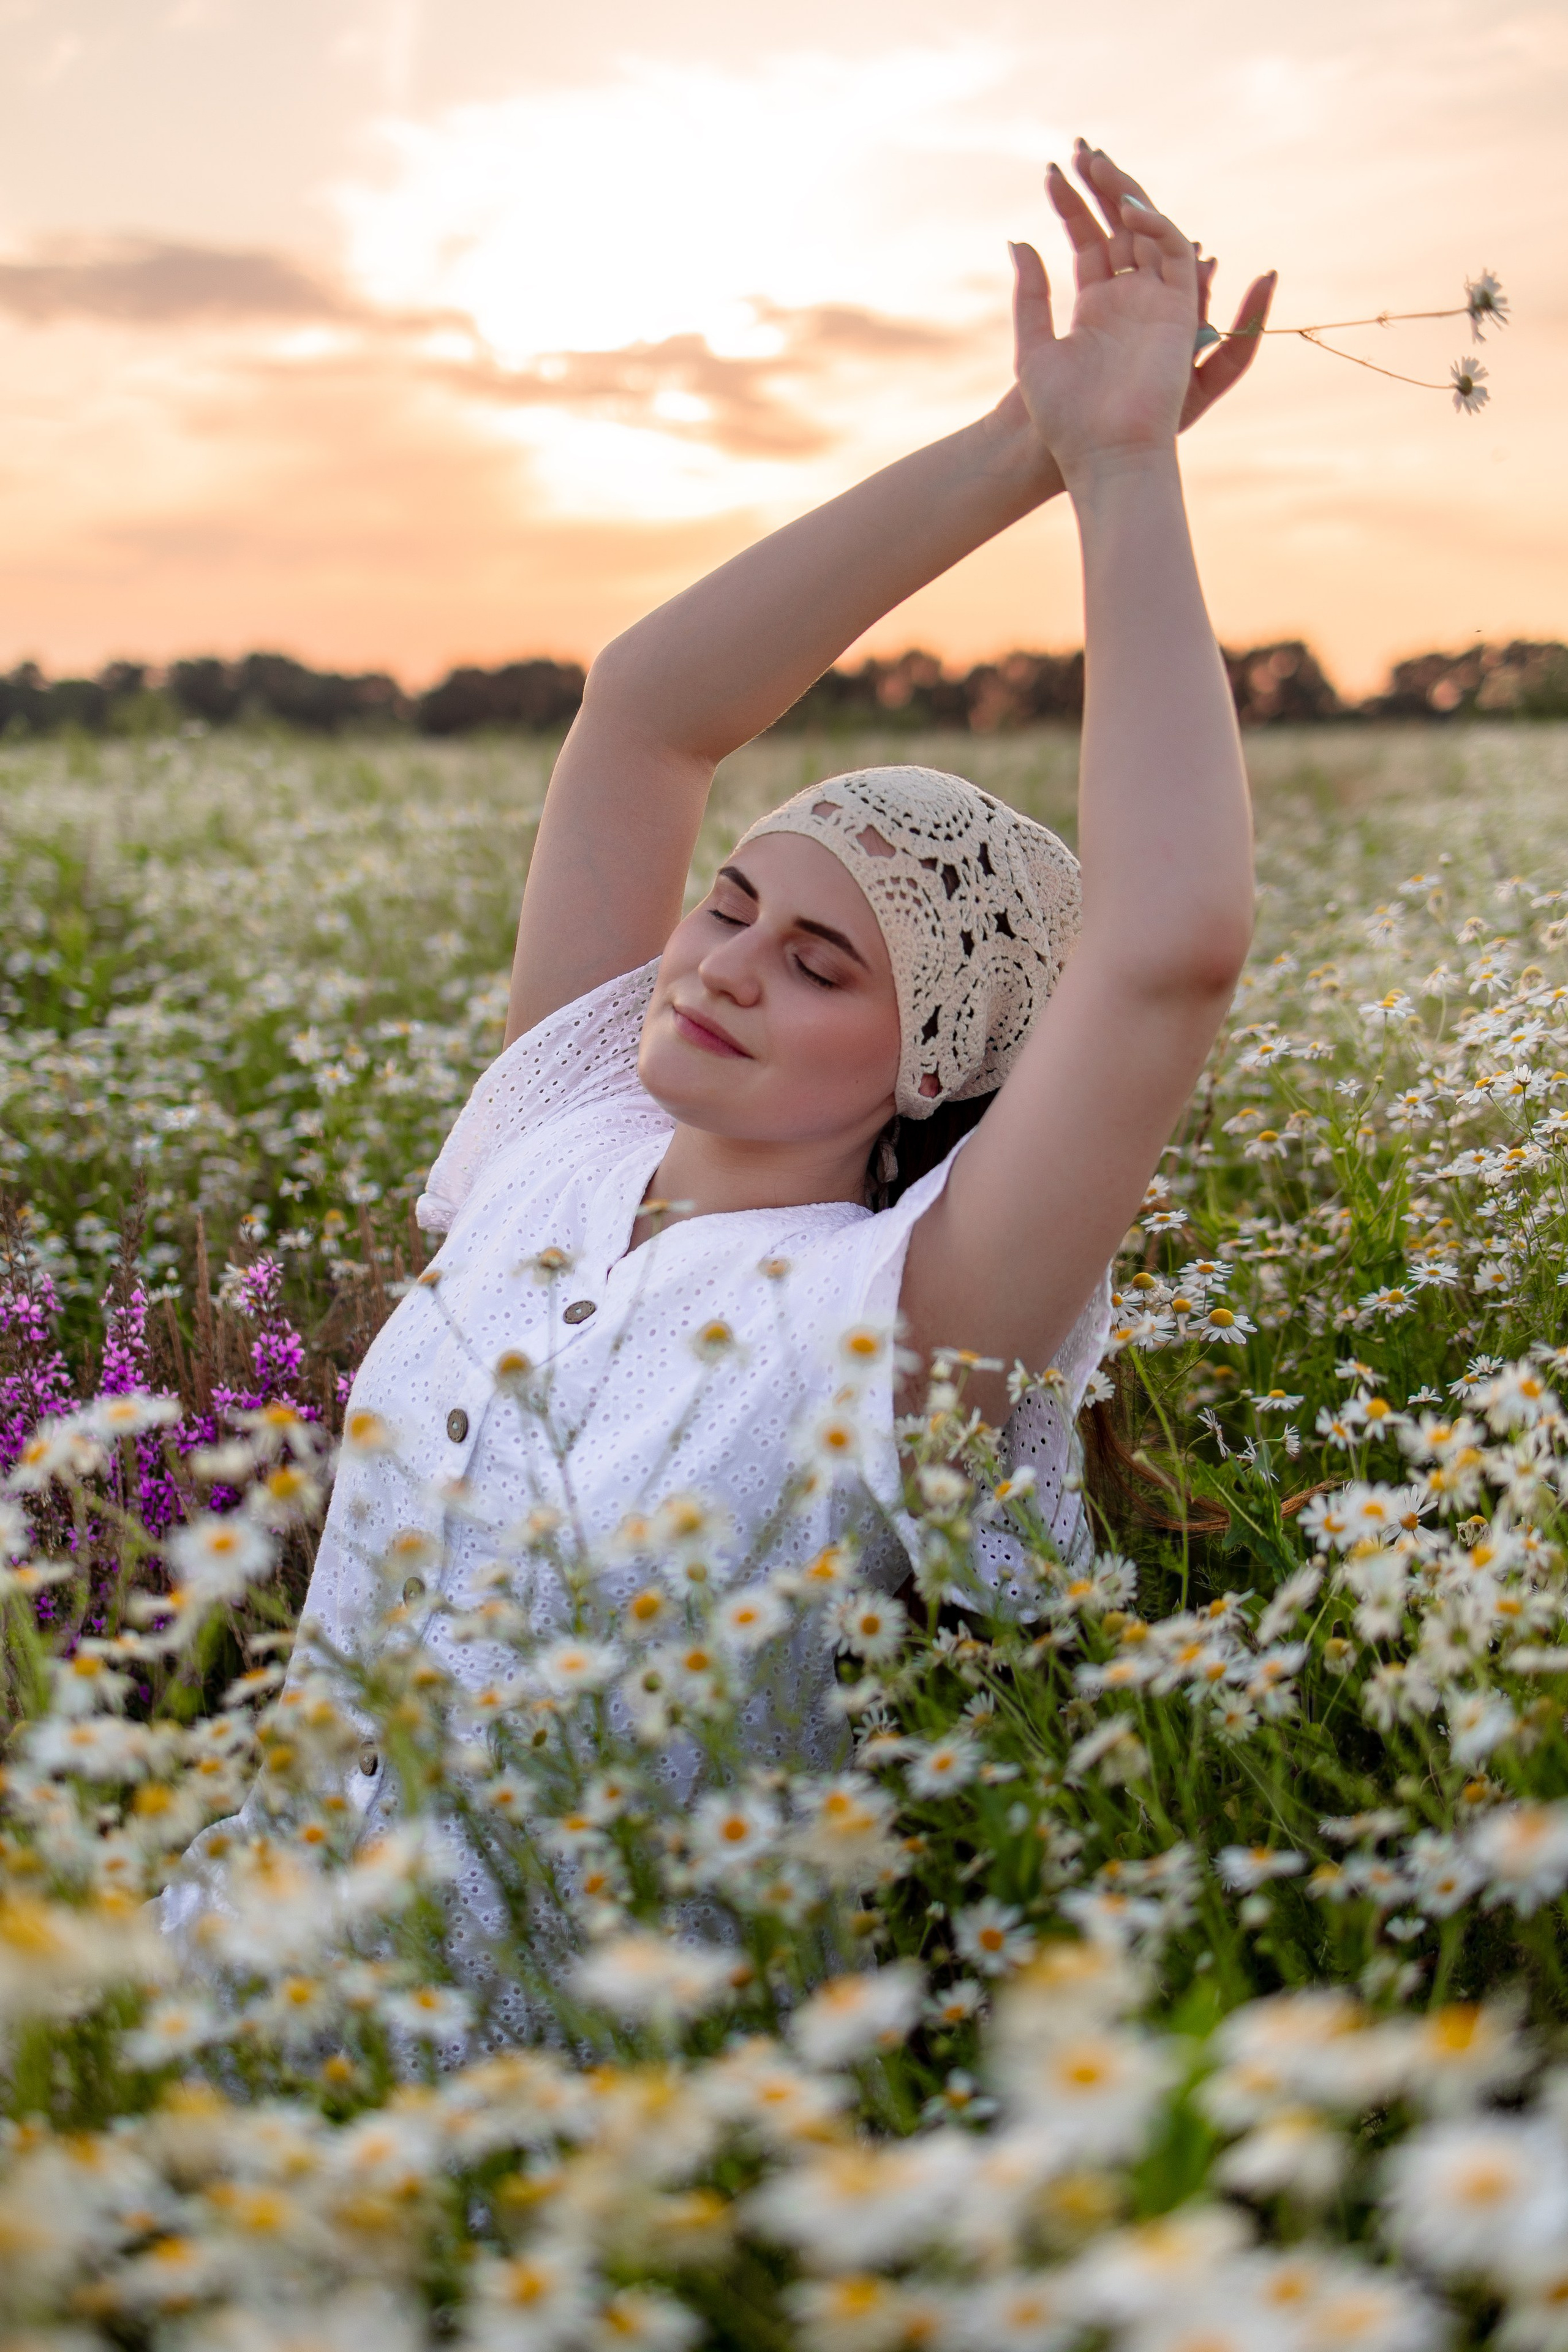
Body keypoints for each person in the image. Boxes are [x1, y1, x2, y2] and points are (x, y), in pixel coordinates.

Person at [165, 143, 1270, 1939]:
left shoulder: (909, 1315)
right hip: (228, 1966)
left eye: (823, 961)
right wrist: (1020, 442)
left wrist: (1126, 468)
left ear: (936, 1068)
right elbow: (645, 716)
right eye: (731, 904)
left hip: (570, 2113)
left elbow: (1169, 949)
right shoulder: (563, 1131)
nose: (725, 963)